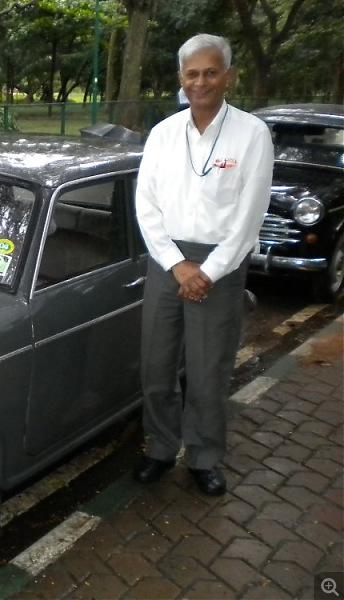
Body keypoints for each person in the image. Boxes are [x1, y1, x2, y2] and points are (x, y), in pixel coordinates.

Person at [133, 34, 274, 495]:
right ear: (181, 79)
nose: (201, 82)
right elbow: (146, 206)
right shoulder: (163, 134)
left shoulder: (252, 134)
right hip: (166, 261)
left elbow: (249, 215)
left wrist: (208, 271)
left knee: (208, 371)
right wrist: (177, 265)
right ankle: (159, 446)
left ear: (228, 76)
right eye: (192, 73)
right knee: (156, 369)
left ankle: (204, 456)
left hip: (223, 268)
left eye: (211, 72)